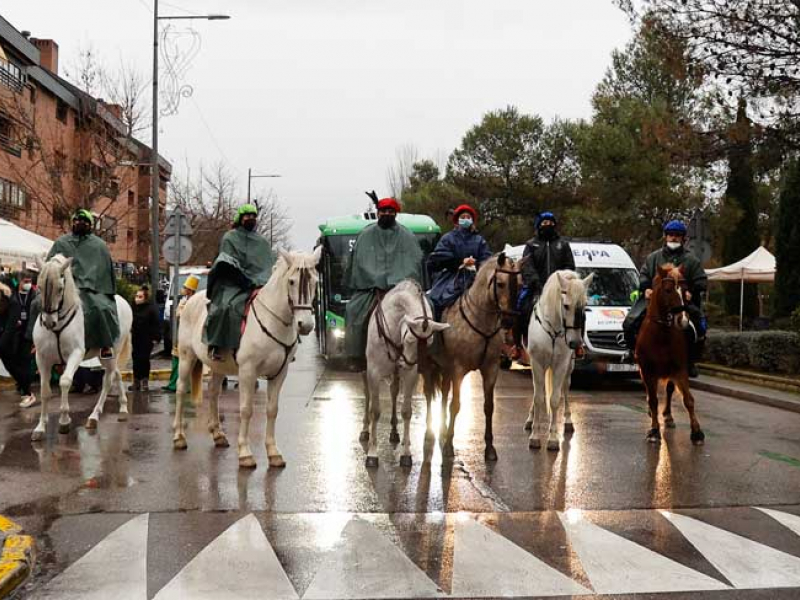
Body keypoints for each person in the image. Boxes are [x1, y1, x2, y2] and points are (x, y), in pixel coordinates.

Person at [344, 197, 423, 371]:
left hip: (401, 289)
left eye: (390, 211)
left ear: (396, 213)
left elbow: (414, 262)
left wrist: (398, 282)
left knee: (427, 310)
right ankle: (356, 355)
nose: (387, 214)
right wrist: (375, 279)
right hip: (373, 289)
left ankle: (426, 356)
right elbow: (359, 262)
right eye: (383, 211)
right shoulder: (365, 235)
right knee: (353, 311)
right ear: (378, 213)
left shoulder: (407, 236)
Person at [623, 219, 708, 377]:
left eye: (677, 235)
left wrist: (693, 292)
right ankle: (632, 352)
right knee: (630, 322)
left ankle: (690, 362)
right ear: (665, 236)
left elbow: (701, 281)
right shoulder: (653, 257)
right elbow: (643, 276)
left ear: (684, 239)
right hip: (655, 302)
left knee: (699, 327)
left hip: (682, 302)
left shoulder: (692, 260)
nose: (674, 238)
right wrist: (646, 288)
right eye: (670, 235)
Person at [204, 204, 274, 361]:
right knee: (226, 307)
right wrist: (245, 281)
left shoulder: (261, 242)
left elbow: (268, 265)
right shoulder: (230, 237)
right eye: (247, 216)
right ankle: (216, 345)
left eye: (253, 216)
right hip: (232, 284)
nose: (251, 219)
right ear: (240, 218)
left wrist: (262, 281)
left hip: (259, 284)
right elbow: (226, 264)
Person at [47, 209, 119, 358]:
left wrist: (90, 281)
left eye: (84, 221)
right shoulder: (61, 242)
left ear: (90, 225)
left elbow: (105, 271)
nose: (80, 223)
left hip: (90, 288)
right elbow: (50, 265)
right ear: (73, 222)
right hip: (63, 287)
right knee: (37, 303)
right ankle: (35, 341)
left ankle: (106, 344)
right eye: (77, 220)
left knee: (101, 308)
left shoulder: (99, 246)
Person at [514, 211, 576, 350]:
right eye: (545, 223)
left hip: (561, 289)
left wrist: (563, 281)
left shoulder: (563, 244)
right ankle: (517, 346)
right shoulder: (531, 245)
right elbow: (527, 266)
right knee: (521, 308)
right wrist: (536, 283)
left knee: (577, 308)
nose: (548, 225)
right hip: (536, 287)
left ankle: (579, 344)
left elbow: (570, 265)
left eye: (551, 222)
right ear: (539, 225)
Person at [427, 204, 492, 320]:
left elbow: (487, 260)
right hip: (451, 277)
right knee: (435, 300)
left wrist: (476, 264)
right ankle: (436, 331)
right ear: (457, 220)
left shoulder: (479, 240)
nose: (466, 219)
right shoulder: (448, 238)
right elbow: (437, 258)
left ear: (472, 220)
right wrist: (460, 262)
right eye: (463, 217)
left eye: (468, 217)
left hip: (475, 276)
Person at [162, 275, 199, 392]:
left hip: (190, 337)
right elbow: (178, 314)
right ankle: (173, 384)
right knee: (176, 361)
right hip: (180, 334)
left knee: (189, 363)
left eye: (186, 287)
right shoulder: (183, 300)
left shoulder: (195, 301)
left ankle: (187, 386)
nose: (184, 289)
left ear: (191, 290)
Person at [129, 286, 161, 392]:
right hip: (136, 338)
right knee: (136, 359)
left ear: (145, 298)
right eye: (136, 296)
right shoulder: (132, 308)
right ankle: (136, 382)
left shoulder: (150, 309)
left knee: (144, 360)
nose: (137, 298)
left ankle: (144, 381)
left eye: (140, 297)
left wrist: (156, 337)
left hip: (146, 339)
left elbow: (156, 324)